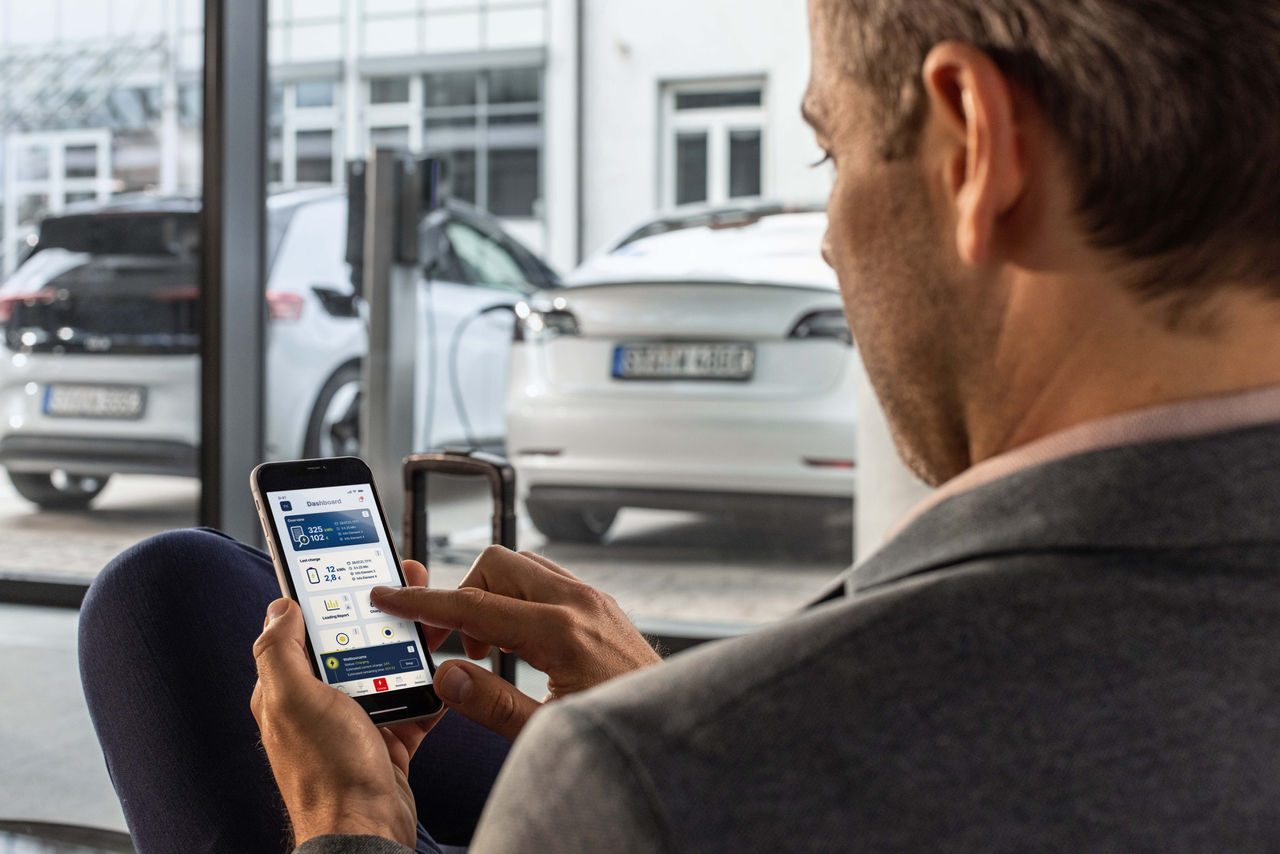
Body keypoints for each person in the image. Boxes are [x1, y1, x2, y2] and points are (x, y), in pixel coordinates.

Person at [83, 0, 1280, 850]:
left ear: (974, 145)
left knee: (165, 601)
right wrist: (668, 702)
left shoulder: (658, 783)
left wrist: (350, 822)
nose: (824, 234)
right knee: (183, 584)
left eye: (831, 151)